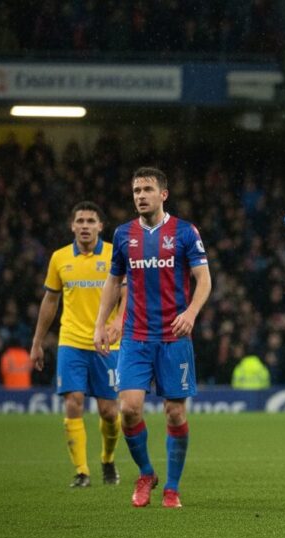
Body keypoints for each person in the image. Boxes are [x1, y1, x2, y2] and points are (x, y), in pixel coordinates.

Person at [94, 167, 212, 509]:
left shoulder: (186, 232)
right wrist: (101, 324)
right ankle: (146, 474)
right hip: (135, 336)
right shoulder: (122, 234)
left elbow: (203, 279)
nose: (140, 195)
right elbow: (114, 282)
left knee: (175, 413)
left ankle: (172, 487)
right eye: (135, 190)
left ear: (163, 194)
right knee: (128, 409)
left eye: (147, 189)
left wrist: (190, 313)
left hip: (173, 338)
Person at [31, 201, 125, 487]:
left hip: (107, 343)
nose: (85, 226)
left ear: (100, 226)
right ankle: (82, 471)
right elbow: (50, 301)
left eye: (90, 221)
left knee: (109, 411)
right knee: (74, 402)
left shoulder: (113, 253)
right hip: (70, 341)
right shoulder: (60, 258)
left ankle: (108, 460)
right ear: (72, 226)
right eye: (80, 221)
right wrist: (37, 342)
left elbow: (127, 292)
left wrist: (118, 322)